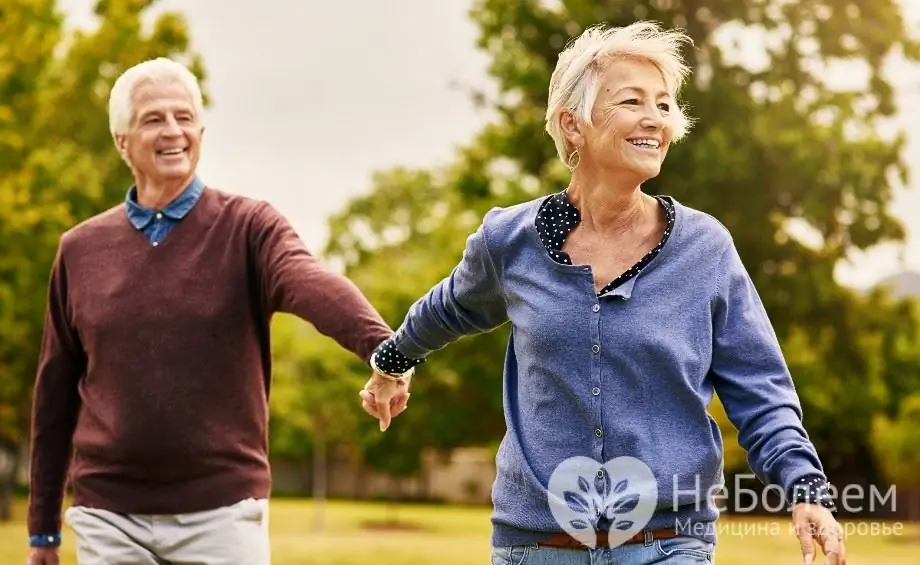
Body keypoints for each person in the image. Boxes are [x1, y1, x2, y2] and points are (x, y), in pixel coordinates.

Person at [360, 20, 847, 565]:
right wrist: (391, 363)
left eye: (664, 105)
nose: (654, 119)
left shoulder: (704, 249)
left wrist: (806, 489)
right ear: (574, 125)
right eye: (632, 101)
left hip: (668, 544)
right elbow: (449, 308)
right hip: (536, 546)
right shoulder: (511, 243)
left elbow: (760, 387)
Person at [26, 57, 403, 565]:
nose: (173, 131)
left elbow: (310, 282)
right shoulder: (80, 250)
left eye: (184, 117)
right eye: (153, 119)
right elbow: (54, 398)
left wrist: (385, 350)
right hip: (109, 516)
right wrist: (43, 531)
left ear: (201, 131)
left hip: (223, 514)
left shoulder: (249, 228)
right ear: (122, 140)